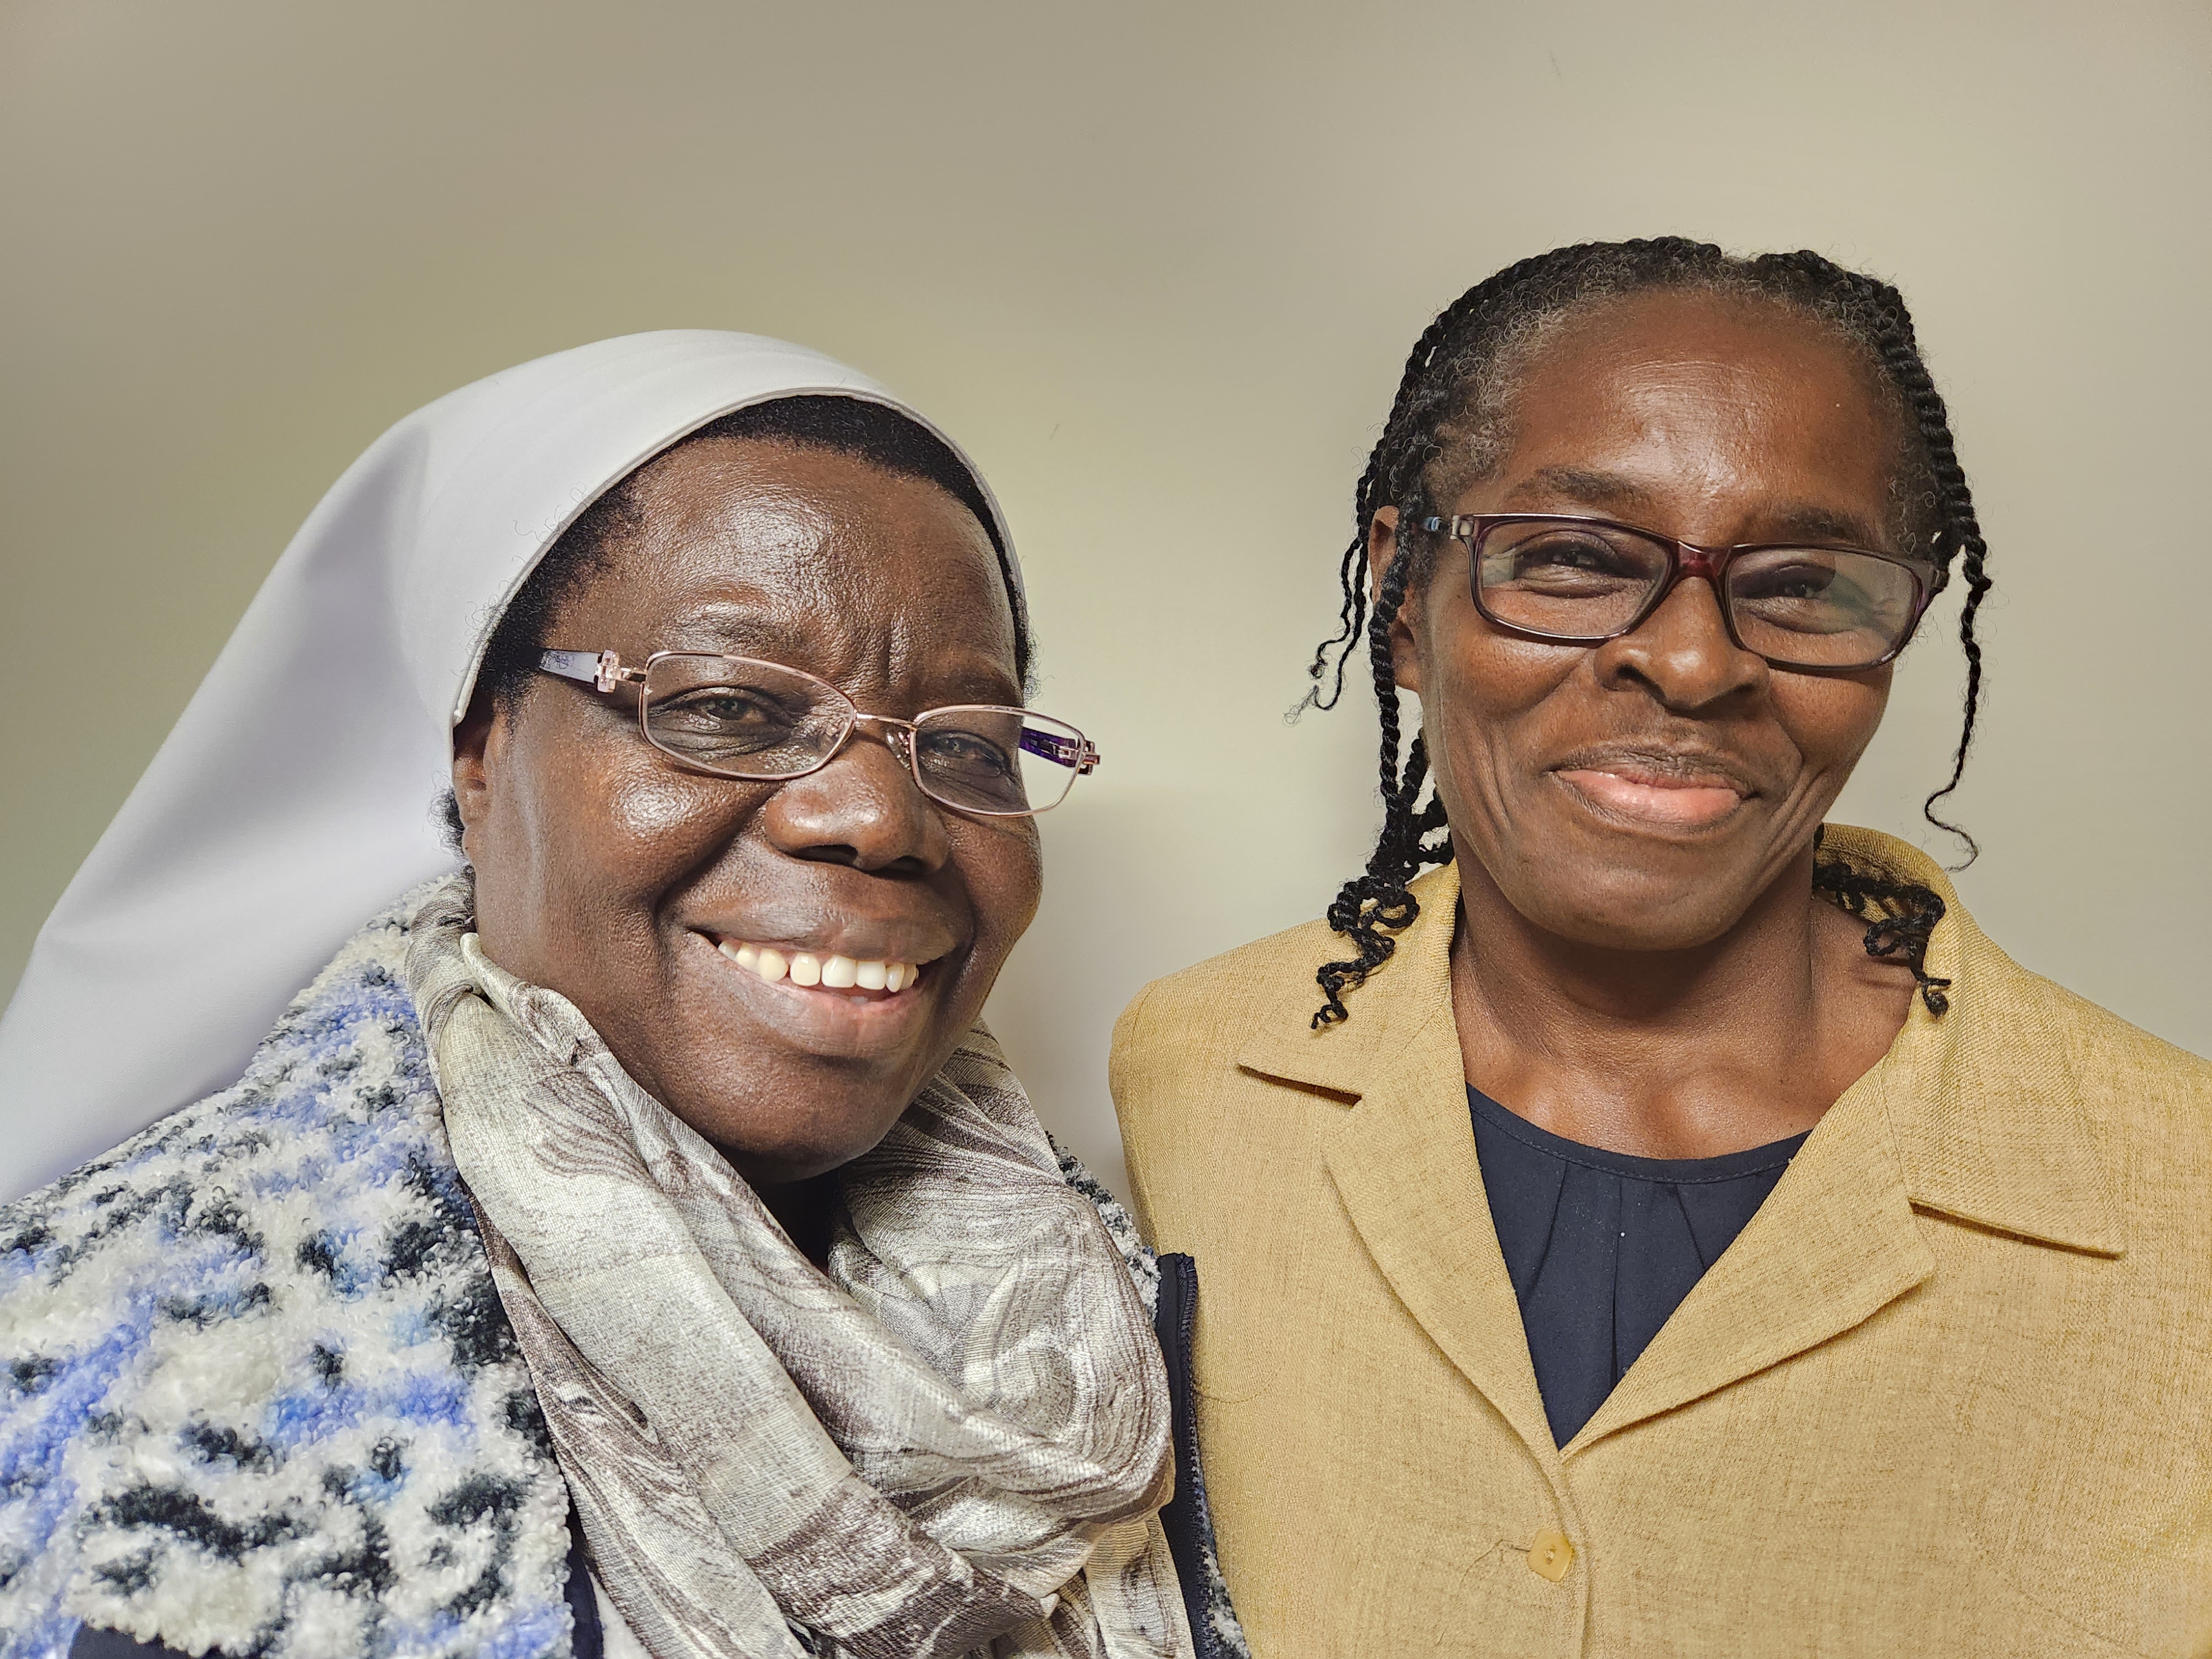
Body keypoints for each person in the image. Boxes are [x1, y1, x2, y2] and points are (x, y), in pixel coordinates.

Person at [0, 334, 1243, 1659]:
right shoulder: (134, 1351)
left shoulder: (1111, 1313)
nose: (881, 818)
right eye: (725, 706)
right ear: (478, 753)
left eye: (965, 744)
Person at [1111, 239, 2212, 1656]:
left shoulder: (2177, 1190)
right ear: (1401, 598)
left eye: (1802, 582)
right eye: (1572, 558)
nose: (1692, 663)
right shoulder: (1199, 1072)